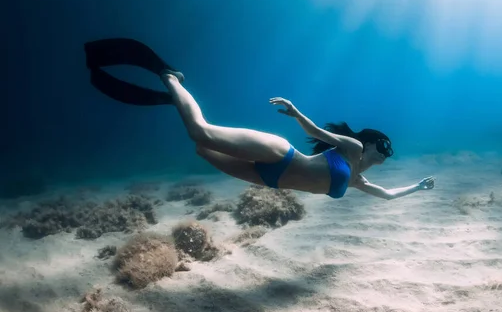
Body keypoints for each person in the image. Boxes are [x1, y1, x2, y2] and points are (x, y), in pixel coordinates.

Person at [84, 38, 435, 199]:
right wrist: (296, 112)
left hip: (269, 180)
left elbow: (388, 195)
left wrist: (418, 187)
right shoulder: (353, 148)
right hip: (279, 154)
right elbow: (314, 131)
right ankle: (169, 76)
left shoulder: (358, 180)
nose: (387, 154)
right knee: (200, 131)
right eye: (385, 147)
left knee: (199, 147)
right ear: (373, 143)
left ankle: (175, 99)